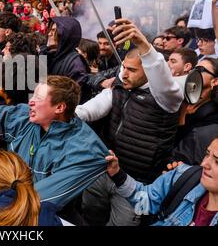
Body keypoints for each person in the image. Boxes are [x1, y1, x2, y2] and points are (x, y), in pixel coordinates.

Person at [76, 18, 184, 226]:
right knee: (89, 216)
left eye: (132, 70)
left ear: (149, 73)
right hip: (102, 171)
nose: (124, 74)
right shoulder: (119, 86)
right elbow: (88, 110)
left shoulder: (167, 99)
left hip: (138, 185)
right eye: (124, 67)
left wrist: (143, 44)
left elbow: (164, 85)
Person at [0, 75, 110, 211]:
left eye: (39, 98)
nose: (31, 102)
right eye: (33, 95)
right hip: (5, 200)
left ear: (59, 108)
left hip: (37, 214)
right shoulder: (26, 116)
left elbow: (34, 200)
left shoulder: (84, 151)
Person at [105, 137, 218, 226]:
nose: (204, 164)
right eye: (207, 154)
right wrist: (117, 174)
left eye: (217, 161)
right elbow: (145, 202)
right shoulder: (185, 176)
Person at [172, 58, 218, 165]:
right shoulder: (183, 100)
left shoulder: (213, 117)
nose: (194, 72)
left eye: (201, 69)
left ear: (215, 81)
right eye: (194, 68)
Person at [39, 16, 90, 103]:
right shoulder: (48, 54)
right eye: (50, 30)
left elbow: (70, 97)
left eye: (54, 30)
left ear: (65, 35)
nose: (49, 34)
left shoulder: (75, 64)